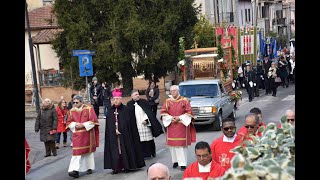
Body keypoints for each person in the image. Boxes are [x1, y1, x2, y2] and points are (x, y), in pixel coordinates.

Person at [104, 88, 146, 174]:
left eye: (117, 99)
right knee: (115, 150)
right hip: (113, 136)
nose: (116, 101)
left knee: (125, 149)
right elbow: (108, 125)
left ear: (121, 99)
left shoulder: (126, 110)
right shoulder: (110, 111)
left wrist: (121, 130)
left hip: (125, 134)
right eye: (114, 99)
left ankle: (127, 165)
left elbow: (130, 124)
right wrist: (114, 130)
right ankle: (116, 167)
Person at [160, 85, 196, 170]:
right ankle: (175, 161)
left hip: (181, 125)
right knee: (172, 146)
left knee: (181, 145)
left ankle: (182, 163)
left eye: (174, 91)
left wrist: (179, 118)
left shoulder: (185, 101)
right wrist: (171, 118)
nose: (173, 92)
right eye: (171, 91)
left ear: (178, 91)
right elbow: (163, 112)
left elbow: (189, 112)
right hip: (171, 124)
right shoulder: (167, 101)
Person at [66, 95, 100, 178]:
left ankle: (89, 167)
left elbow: (94, 121)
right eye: (73, 102)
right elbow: (68, 122)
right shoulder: (71, 111)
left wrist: (83, 125)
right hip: (77, 135)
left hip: (87, 134)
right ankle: (74, 170)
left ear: (81, 102)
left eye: (76, 102)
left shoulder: (89, 109)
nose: (74, 104)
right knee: (76, 153)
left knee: (88, 153)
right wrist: (74, 125)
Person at [127, 89, 164, 158]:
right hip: (136, 124)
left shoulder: (144, 102)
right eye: (135, 95)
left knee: (148, 139)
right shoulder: (129, 104)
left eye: (138, 94)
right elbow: (129, 115)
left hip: (145, 124)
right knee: (139, 140)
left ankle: (151, 152)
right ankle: (142, 154)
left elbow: (149, 112)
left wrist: (146, 120)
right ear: (132, 96)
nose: (137, 96)